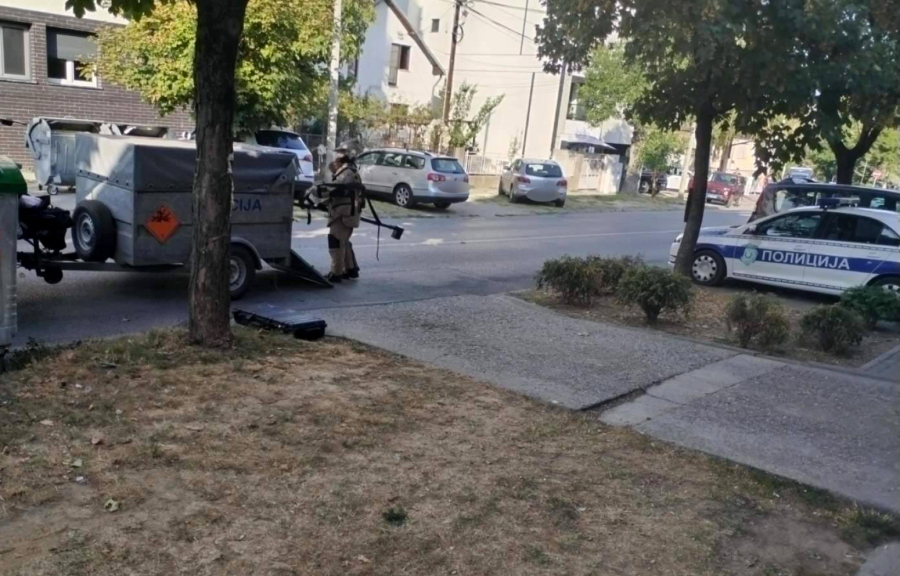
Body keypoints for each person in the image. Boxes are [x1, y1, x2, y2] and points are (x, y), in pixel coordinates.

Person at [317, 143, 364, 283]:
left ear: (340, 160)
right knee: (343, 242)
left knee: (336, 242)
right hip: (346, 212)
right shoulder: (349, 171)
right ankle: (351, 269)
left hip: (343, 214)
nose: (333, 162)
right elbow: (341, 193)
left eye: (335, 159)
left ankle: (336, 273)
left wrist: (313, 192)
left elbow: (334, 190)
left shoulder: (346, 173)